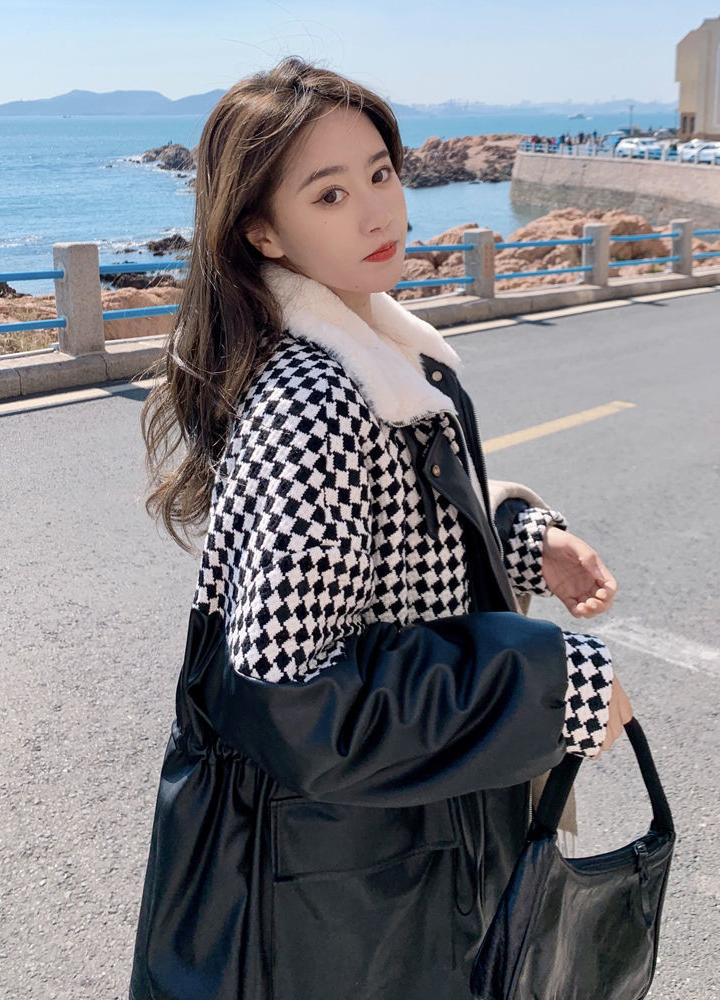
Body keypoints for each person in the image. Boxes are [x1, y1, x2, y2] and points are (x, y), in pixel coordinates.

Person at [129, 57, 633, 1000]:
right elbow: (290, 688)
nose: (377, 213)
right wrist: (551, 684)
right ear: (262, 231)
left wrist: (527, 540)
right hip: (349, 878)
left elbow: (392, 539)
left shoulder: (377, 350)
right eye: (330, 194)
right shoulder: (317, 399)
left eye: (381, 173)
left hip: (392, 836)